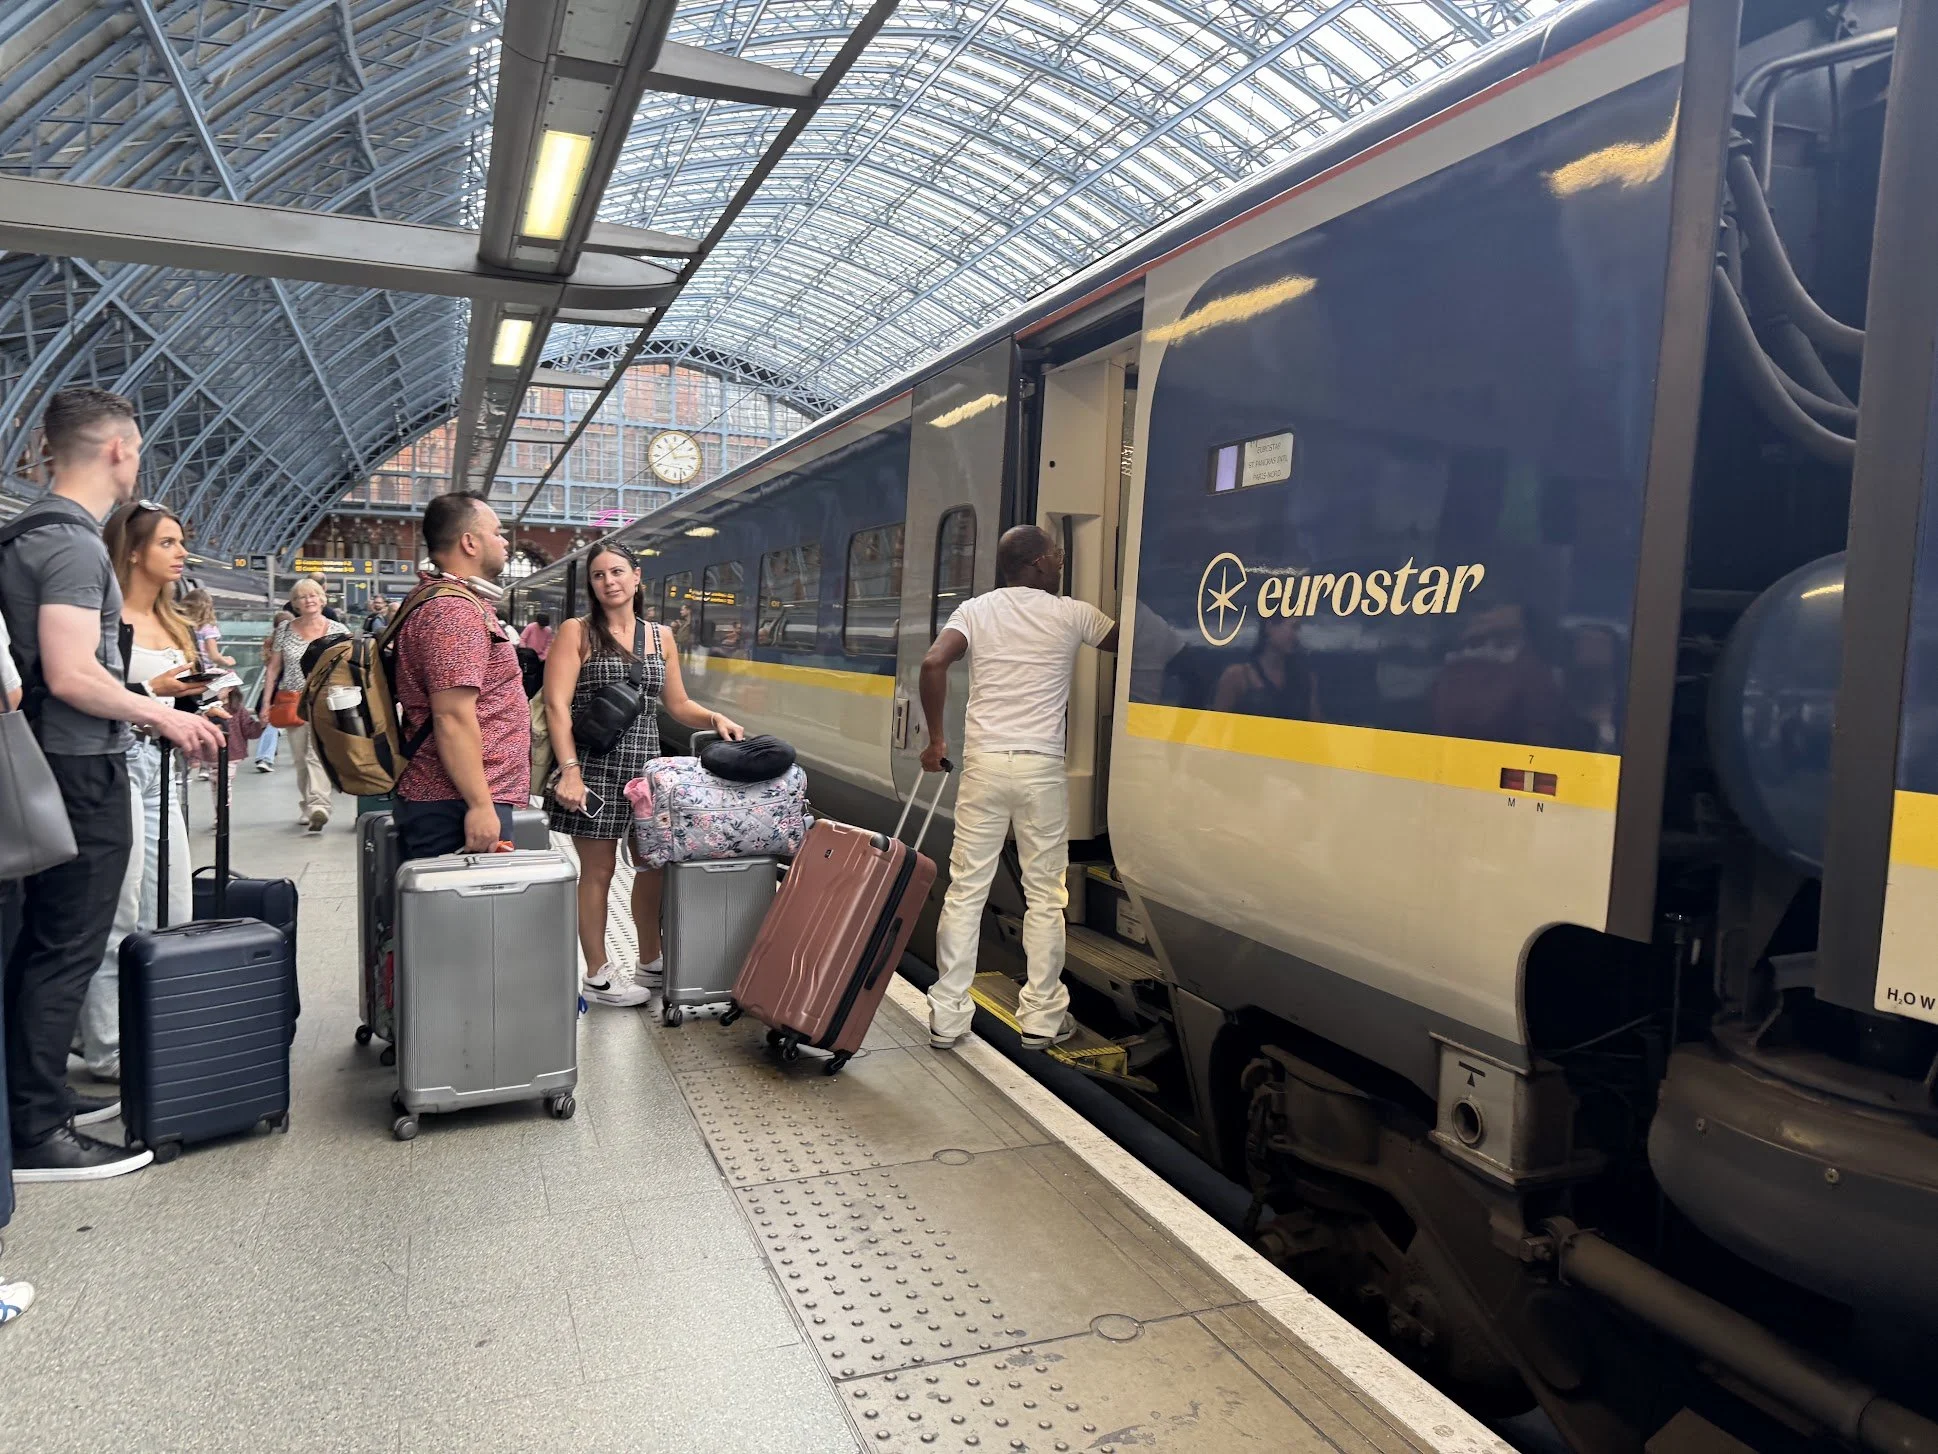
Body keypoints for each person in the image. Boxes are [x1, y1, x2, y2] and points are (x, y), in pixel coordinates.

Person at [0, 386, 222, 1181]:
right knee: (69, 942)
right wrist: (162, 715)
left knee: (40, 940)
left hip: (44, 763)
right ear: (120, 449)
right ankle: (37, 1130)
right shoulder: (71, 544)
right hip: (77, 764)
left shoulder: (26, 532)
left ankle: (33, 1099)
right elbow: (70, 672)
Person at [919, 524, 1117, 1052]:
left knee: (966, 890)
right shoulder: (1074, 614)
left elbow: (934, 661)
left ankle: (947, 1016)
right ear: (1036, 563)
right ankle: (1042, 1018)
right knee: (1045, 895)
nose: (1061, 562)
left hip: (984, 766)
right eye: (1056, 555)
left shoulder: (975, 611)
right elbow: (1135, 645)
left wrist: (936, 741)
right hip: (1039, 770)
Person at [544, 543, 743, 1007]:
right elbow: (556, 705)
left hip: (647, 772)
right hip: (592, 767)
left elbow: (677, 704)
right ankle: (597, 974)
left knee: (653, 865)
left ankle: (649, 960)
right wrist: (570, 771)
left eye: (617, 572)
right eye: (598, 575)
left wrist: (714, 717)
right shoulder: (577, 632)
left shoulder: (661, 636)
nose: (609, 582)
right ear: (592, 585)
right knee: (598, 871)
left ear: (636, 577)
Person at [84, 501, 205, 1084]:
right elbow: (86, 689)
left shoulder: (174, 620)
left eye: (180, 542)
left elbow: (181, 699)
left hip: (164, 768)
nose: (181, 553)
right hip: (117, 763)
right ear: (132, 552)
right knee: (120, 906)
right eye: (167, 543)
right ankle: (107, 1044)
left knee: (173, 905)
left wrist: (200, 703)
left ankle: (159, 1024)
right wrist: (151, 691)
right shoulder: (103, 620)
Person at [390, 492, 531, 861]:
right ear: (470, 542)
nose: (505, 542)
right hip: (455, 803)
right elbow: (451, 716)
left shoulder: (444, 601)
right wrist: (481, 805)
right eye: (497, 533)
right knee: (461, 901)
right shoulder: (453, 612)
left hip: (456, 797)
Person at [269, 580, 348, 830]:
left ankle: (319, 806)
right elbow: (273, 668)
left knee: (317, 753)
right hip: (293, 698)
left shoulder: (338, 629)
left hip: (325, 699)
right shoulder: (284, 630)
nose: (309, 600)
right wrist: (265, 703)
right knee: (300, 758)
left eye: (313, 595)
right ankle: (307, 804)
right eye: (302, 597)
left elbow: (346, 667)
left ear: (322, 599)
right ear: (295, 603)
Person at [1210, 616, 1318, 720]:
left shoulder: (1305, 679)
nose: (1296, 636)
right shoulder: (1237, 677)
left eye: (1298, 629)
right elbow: (1217, 726)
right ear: (1270, 626)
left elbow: (1317, 725)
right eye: (1294, 627)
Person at [251, 609, 291, 773]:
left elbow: (269, 667)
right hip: (285, 690)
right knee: (274, 723)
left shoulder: (270, 643)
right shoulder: (291, 642)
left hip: (274, 689)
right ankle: (266, 755)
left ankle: (266, 754)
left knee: (271, 723)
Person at [179, 588, 234, 672]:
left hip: (184, 667)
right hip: (203, 670)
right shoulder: (208, 628)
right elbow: (214, 656)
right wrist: (227, 662)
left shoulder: (181, 625)